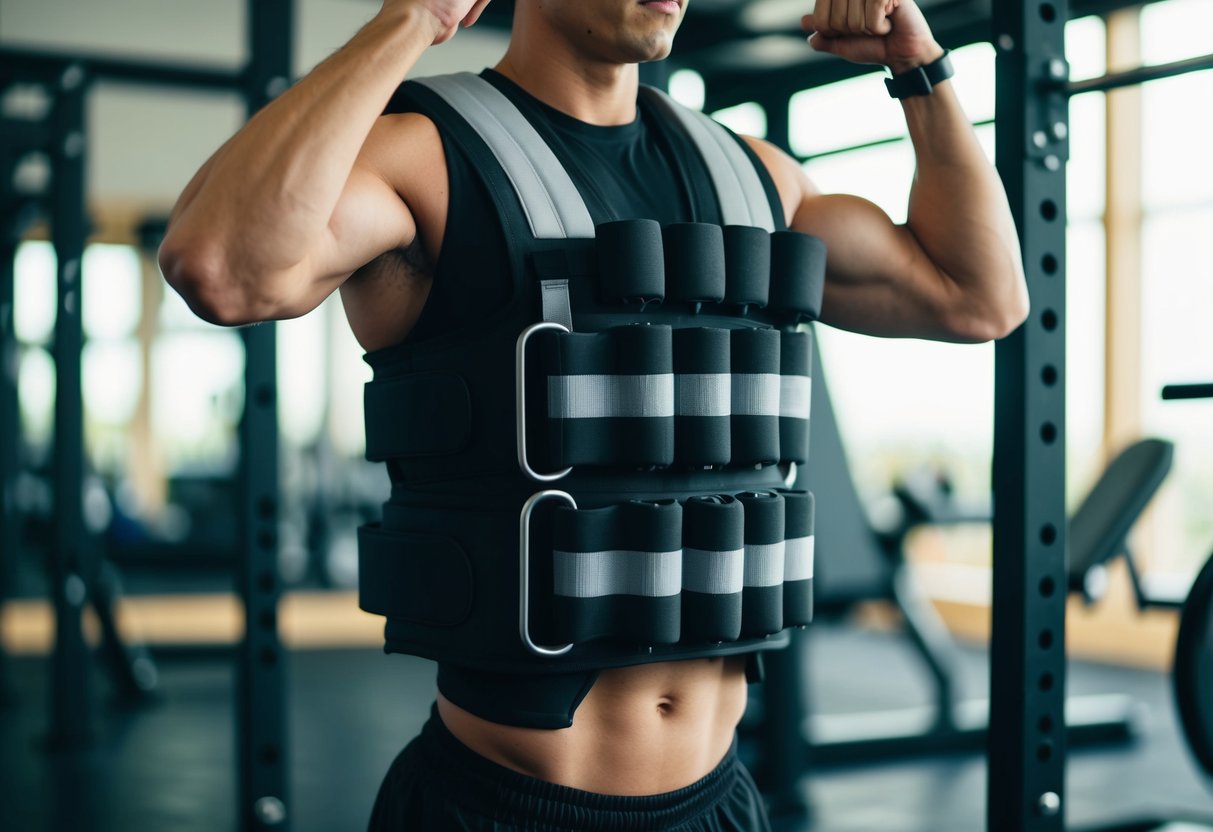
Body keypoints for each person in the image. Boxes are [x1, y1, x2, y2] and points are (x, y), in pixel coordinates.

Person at [160, 0, 1028, 828]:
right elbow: (222, 268)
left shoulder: (752, 177)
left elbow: (978, 299)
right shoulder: (425, 158)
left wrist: (921, 73)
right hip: (504, 806)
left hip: (721, 801)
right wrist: (409, 21)